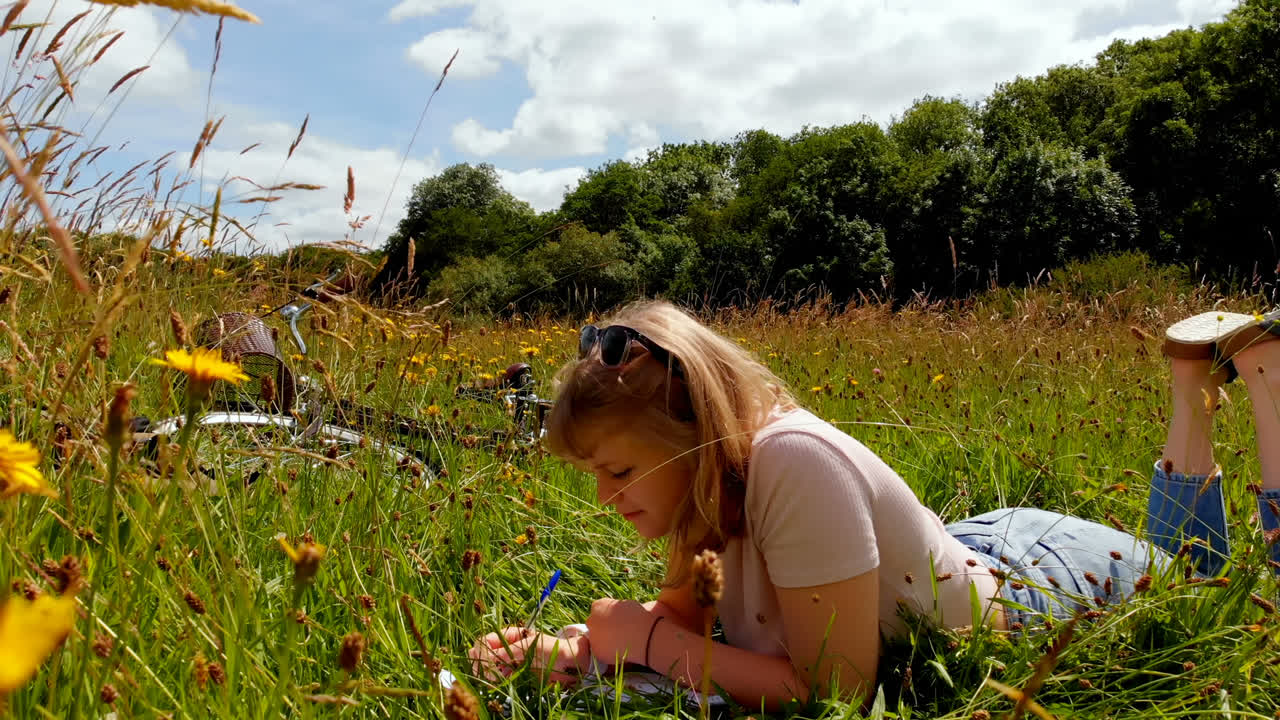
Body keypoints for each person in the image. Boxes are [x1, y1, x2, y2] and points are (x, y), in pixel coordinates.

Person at [469, 302, 1280, 709]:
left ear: (692, 429)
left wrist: (641, 639)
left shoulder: (795, 462)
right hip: (945, 557)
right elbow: (681, 620)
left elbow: (837, 691)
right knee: (1203, 574)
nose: (605, 498)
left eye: (617, 470)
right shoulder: (705, 483)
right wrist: (579, 648)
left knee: (1220, 589)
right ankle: (1193, 381)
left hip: (1044, 581)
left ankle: (1256, 383)